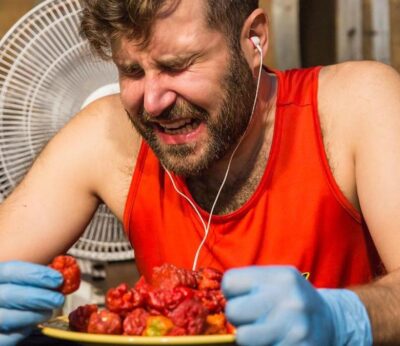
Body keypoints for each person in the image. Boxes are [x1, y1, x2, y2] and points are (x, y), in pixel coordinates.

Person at [0, 0, 400, 345]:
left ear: (254, 38)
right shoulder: (107, 137)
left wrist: (345, 317)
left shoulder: (356, 105)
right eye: (132, 72)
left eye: (177, 66)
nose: (153, 103)